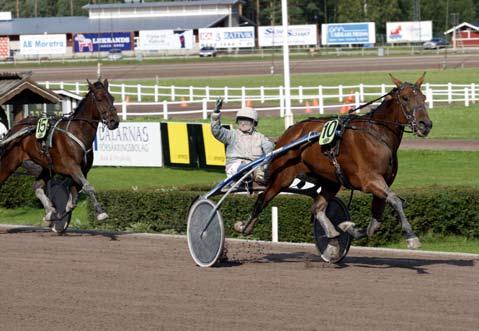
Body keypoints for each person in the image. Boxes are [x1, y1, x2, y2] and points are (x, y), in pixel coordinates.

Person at [210, 98, 274, 183]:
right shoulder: (231, 135)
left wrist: (269, 151)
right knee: (246, 168)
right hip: (235, 167)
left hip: (254, 168)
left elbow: (270, 154)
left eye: (246, 121)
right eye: (240, 121)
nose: (243, 123)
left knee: (263, 169)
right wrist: (216, 112)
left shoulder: (260, 138)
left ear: (253, 122)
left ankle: (259, 179)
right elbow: (216, 131)